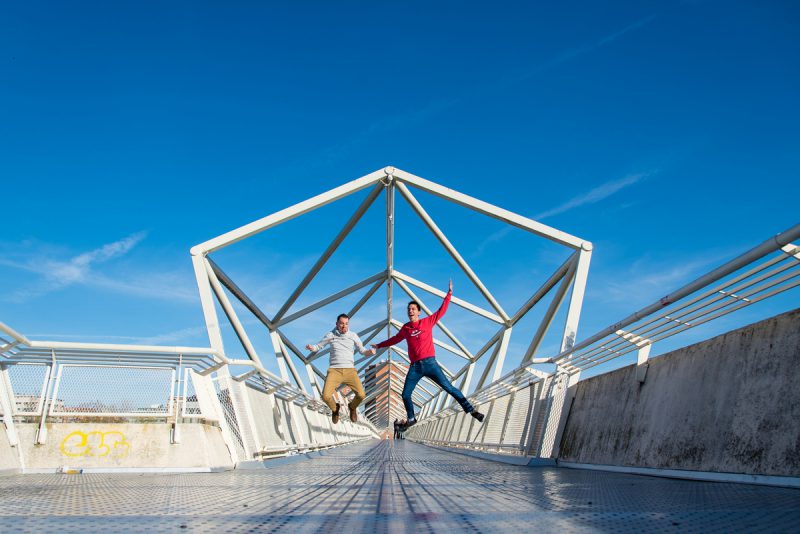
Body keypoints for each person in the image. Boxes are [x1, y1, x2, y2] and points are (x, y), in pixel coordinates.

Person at [371, 280, 484, 431]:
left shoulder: (427, 322)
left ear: (419, 312)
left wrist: (449, 294)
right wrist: (379, 345)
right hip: (415, 367)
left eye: (413, 309)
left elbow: (441, 310)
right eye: (408, 309)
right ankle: (411, 418)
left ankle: (472, 410)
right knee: (405, 394)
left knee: (449, 388)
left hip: (430, 364)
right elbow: (395, 339)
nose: (410, 311)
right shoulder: (406, 328)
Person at [306, 313, 375, 424]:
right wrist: (312, 347)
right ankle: (335, 409)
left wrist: (370, 352)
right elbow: (318, 346)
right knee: (325, 396)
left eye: (346, 324)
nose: (344, 326)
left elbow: (363, 351)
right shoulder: (330, 335)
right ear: (337, 324)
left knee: (361, 395)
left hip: (350, 371)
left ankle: (352, 407)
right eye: (342, 323)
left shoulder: (353, 336)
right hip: (334, 370)